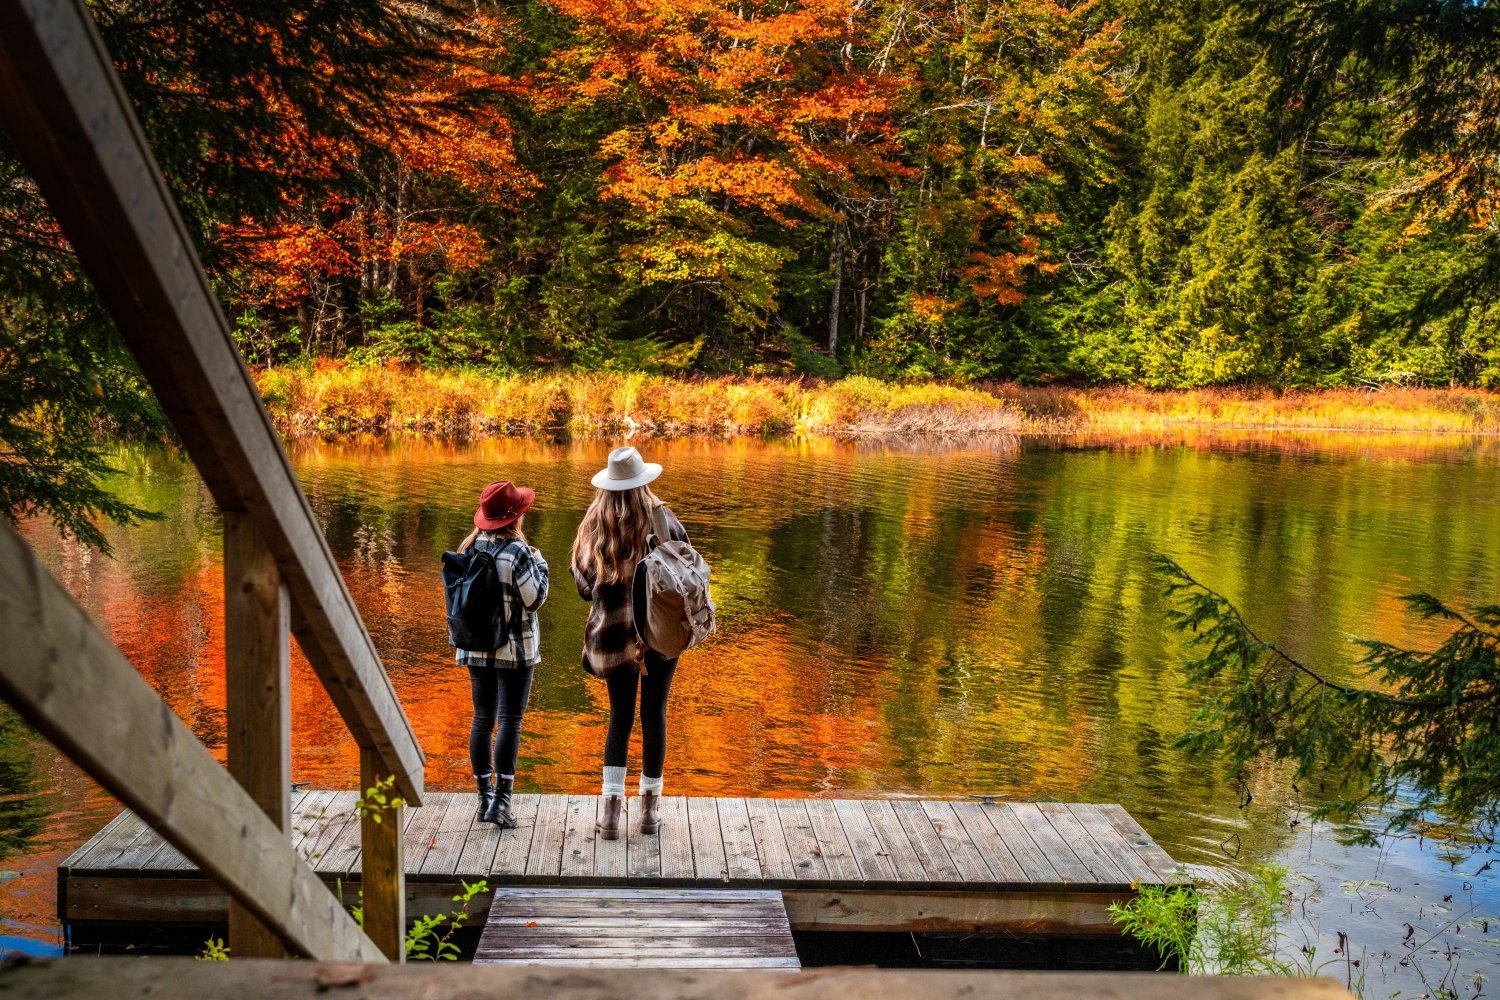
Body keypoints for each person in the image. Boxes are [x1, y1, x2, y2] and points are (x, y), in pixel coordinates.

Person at [570, 446, 688, 841]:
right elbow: (687, 571)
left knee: (620, 718)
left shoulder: (593, 525)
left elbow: (584, 587)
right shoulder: (664, 519)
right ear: (643, 481)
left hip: (612, 636)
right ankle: (650, 814)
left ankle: (609, 818)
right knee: (654, 714)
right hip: (660, 635)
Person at [455, 480, 549, 828]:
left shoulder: (468, 549)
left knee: (482, 719)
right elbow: (535, 599)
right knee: (510, 720)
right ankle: (501, 803)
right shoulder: (518, 552)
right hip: (515, 650)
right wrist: (541, 566)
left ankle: (483, 798)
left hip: (476, 646)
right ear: (515, 518)